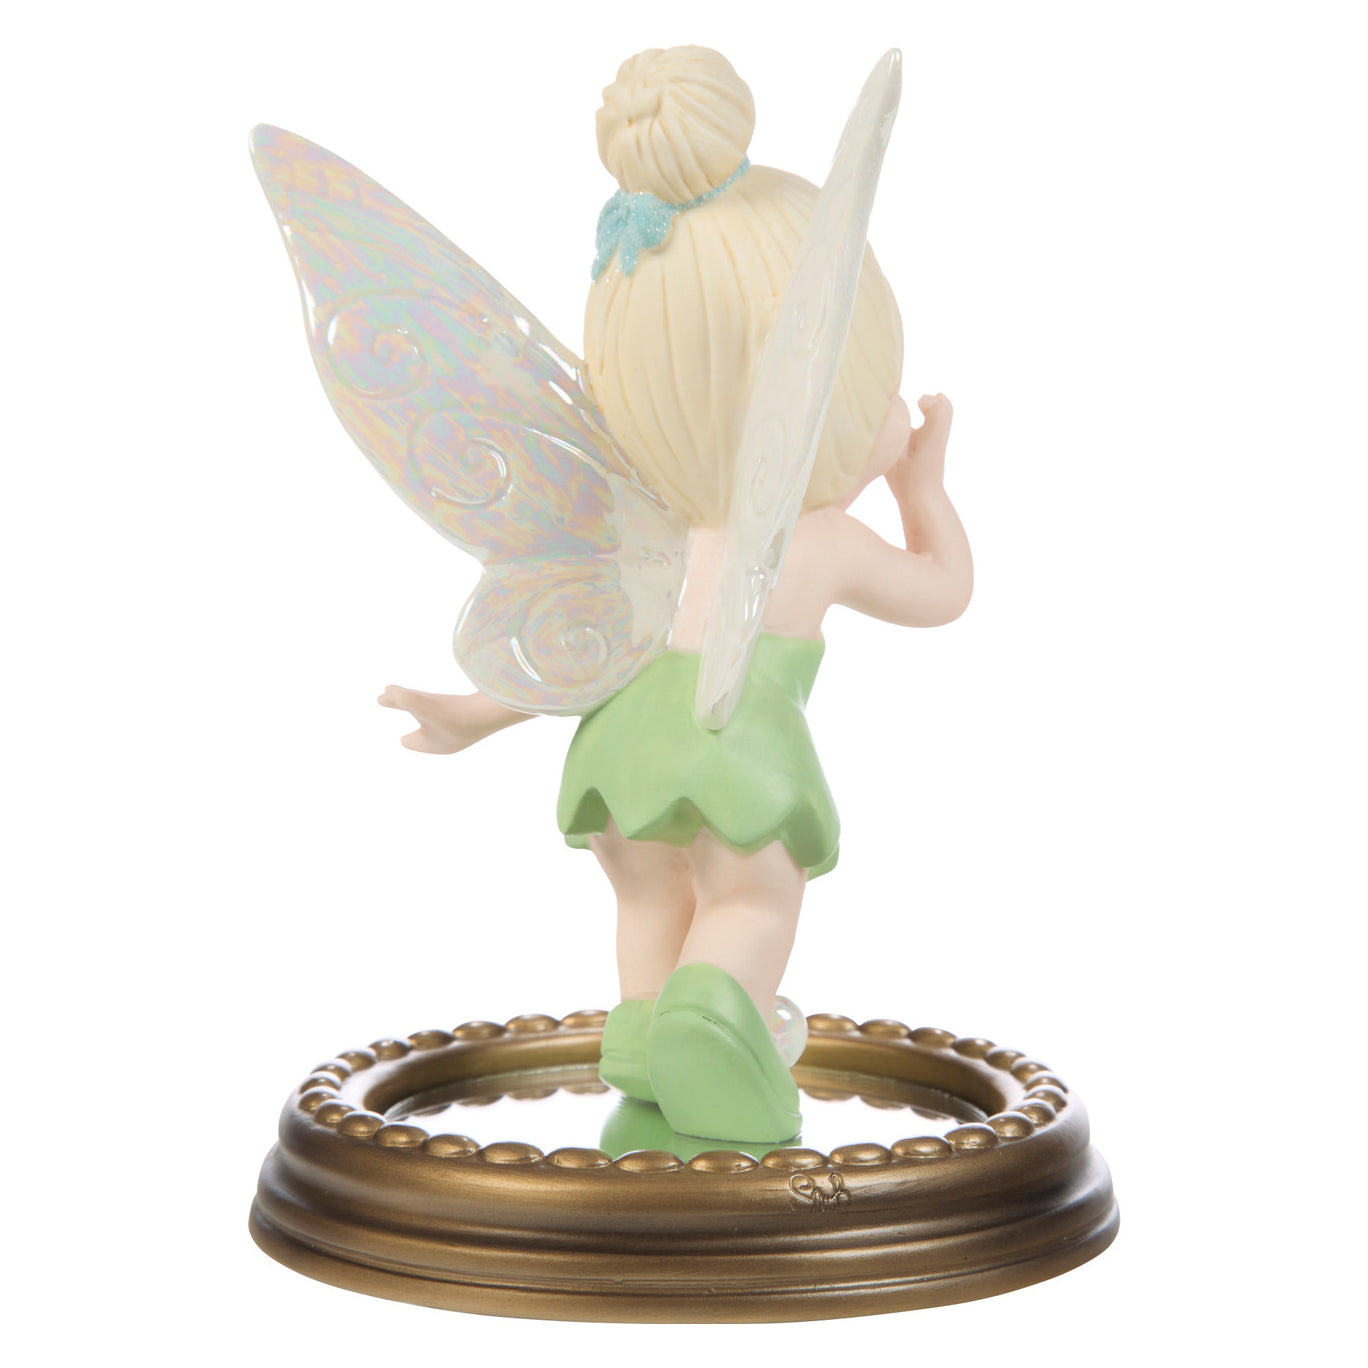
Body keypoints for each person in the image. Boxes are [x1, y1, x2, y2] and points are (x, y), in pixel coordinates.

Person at [379, 47, 972, 1142]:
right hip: (730, 747)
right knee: (749, 899)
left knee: (650, 892)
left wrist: (470, 711)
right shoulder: (821, 541)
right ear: (814, 394)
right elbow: (943, 592)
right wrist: (919, 486)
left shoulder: (638, 534)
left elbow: (574, 650)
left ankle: (645, 1033)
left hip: (620, 751)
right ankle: (710, 1023)